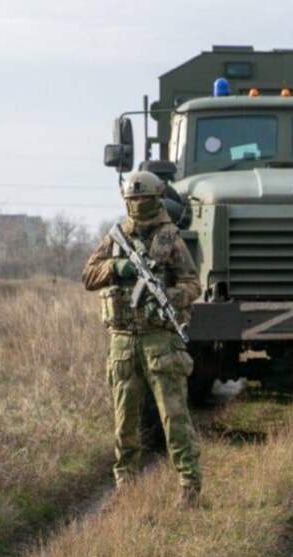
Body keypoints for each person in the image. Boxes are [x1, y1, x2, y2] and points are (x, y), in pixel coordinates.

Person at [82, 170, 203, 506]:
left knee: (174, 418)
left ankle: (189, 486)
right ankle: (125, 487)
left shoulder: (169, 239)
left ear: (156, 199)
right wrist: (116, 268)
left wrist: (167, 297)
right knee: (125, 421)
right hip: (122, 341)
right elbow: (88, 275)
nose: (138, 205)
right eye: (132, 199)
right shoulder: (116, 237)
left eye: (143, 199)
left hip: (160, 340)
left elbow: (193, 284)